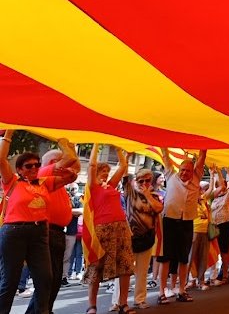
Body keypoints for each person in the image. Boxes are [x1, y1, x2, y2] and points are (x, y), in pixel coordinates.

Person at [0, 132, 77, 314]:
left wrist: (69, 171)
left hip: (40, 232)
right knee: (9, 282)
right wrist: (9, 133)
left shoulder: (44, 183)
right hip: (14, 232)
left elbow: (71, 177)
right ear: (19, 169)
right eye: (28, 166)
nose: (34, 168)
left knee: (45, 279)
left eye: (36, 165)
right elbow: (1, 158)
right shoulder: (11, 181)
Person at [83, 145, 136, 314]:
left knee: (125, 264)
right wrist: (97, 144)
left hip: (121, 227)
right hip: (101, 229)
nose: (106, 173)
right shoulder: (92, 187)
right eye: (102, 171)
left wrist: (120, 150)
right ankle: (92, 306)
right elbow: (91, 165)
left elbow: (123, 167)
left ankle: (123, 303)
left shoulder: (111, 186)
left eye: (107, 171)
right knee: (96, 266)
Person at [156, 148, 206, 305]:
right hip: (169, 221)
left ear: (193, 172)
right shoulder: (170, 175)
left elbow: (202, 156)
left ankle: (181, 290)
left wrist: (203, 145)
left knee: (183, 258)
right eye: (183, 170)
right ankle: (162, 292)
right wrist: (164, 143)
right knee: (166, 258)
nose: (185, 173)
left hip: (186, 222)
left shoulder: (196, 179)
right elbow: (165, 156)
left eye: (188, 171)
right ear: (179, 169)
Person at [38, 141, 82, 314]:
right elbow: (73, 160)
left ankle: (44, 310)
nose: (71, 169)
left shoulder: (59, 181)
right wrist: (66, 143)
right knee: (48, 279)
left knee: (54, 279)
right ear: (54, 164)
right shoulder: (44, 173)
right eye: (65, 165)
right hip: (47, 231)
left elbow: (75, 165)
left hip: (56, 232)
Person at [120, 168, 163, 309]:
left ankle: (140, 299)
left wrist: (147, 195)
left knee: (142, 271)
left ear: (151, 181)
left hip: (147, 238)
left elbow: (158, 208)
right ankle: (119, 302)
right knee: (124, 271)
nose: (144, 183)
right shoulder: (130, 193)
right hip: (129, 237)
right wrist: (126, 156)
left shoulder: (155, 196)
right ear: (136, 181)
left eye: (147, 180)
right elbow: (124, 173)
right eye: (141, 180)